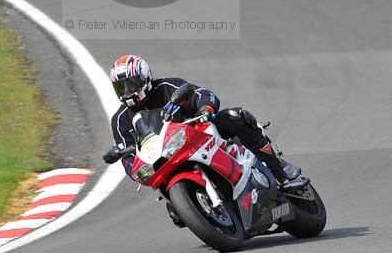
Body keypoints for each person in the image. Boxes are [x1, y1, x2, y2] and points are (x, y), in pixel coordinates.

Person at [106, 54, 301, 200]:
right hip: (164, 159)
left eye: (130, 84)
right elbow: (126, 154)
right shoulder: (120, 120)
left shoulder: (167, 87)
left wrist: (205, 108)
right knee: (174, 210)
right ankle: (186, 202)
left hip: (198, 135)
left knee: (236, 117)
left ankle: (278, 170)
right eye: (121, 87)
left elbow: (200, 94)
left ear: (144, 77)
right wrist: (133, 169)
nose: (127, 91)